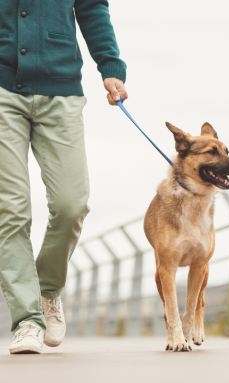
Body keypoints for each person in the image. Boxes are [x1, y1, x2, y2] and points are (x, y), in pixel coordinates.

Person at [0, 0, 128, 354]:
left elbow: (92, 9)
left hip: (61, 89)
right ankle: (28, 320)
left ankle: (47, 291)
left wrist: (110, 65)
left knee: (72, 204)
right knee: (10, 210)